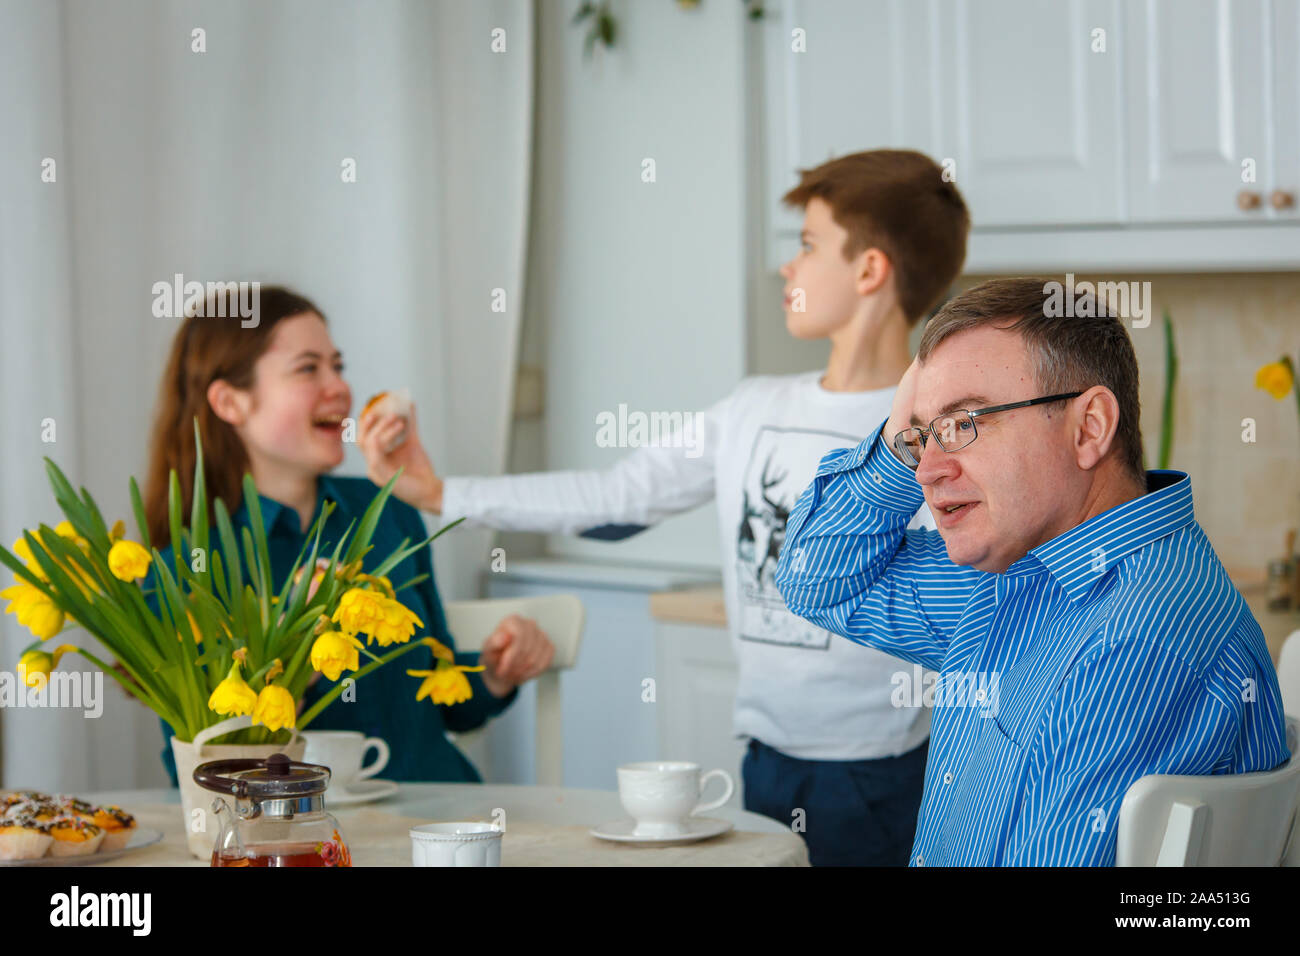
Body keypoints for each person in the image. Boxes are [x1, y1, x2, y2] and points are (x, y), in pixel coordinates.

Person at [357, 150, 971, 865]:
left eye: (806, 246)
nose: (788, 268)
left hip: (885, 774)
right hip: (763, 760)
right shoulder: (752, 407)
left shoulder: (931, 427)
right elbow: (614, 499)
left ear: (869, 270)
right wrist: (439, 495)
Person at [773, 276, 1292, 866]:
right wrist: (897, 438)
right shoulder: (1024, 570)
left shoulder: (1131, 642)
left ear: (1089, 427)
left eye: (964, 423)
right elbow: (818, 578)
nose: (927, 470)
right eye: (923, 438)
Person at [144, 287, 555, 786]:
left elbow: (440, 702)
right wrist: (292, 648)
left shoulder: (388, 510)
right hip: (307, 840)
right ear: (230, 400)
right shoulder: (185, 567)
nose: (339, 388)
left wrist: (494, 674)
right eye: (308, 368)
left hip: (438, 822)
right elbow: (196, 771)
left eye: (338, 366)